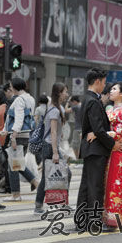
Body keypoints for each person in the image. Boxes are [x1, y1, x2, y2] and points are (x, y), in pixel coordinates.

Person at [77, 68, 122, 231]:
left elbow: (94, 129)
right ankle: (94, 222)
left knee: (86, 187)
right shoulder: (93, 101)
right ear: (97, 81)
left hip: (91, 149)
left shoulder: (88, 99)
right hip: (96, 150)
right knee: (95, 187)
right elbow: (98, 129)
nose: (105, 86)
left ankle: (82, 221)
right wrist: (113, 144)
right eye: (104, 82)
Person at [34, 83, 71, 213]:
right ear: (59, 93)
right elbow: (53, 132)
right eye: (65, 92)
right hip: (49, 146)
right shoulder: (54, 110)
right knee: (57, 174)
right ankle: (40, 205)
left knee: (51, 175)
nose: (67, 94)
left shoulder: (58, 107)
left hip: (51, 145)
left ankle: (57, 203)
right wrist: (55, 152)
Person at [4, 78, 39, 202]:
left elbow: (18, 119)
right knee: (18, 164)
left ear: (14, 87)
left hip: (18, 136)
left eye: (10, 86)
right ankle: (35, 182)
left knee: (13, 166)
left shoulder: (19, 100)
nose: (10, 88)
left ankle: (16, 194)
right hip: (26, 135)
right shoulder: (30, 98)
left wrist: (13, 136)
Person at [101, 82, 122, 227]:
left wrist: (100, 134)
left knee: (116, 184)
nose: (111, 91)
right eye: (111, 88)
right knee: (107, 184)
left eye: (114, 89)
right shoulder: (111, 109)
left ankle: (115, 218)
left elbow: (119, 132)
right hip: (109, 151)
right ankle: (107, 216)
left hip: (118, 152)